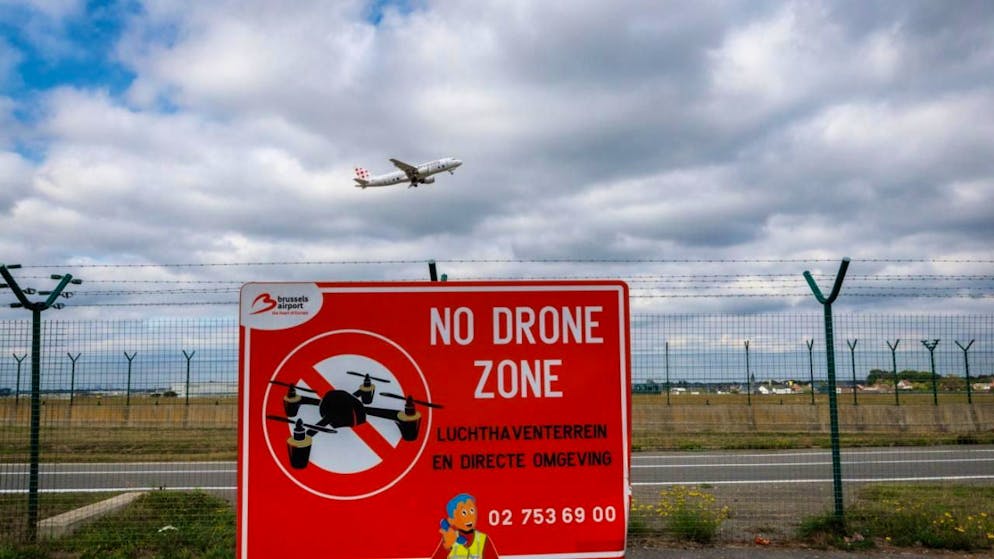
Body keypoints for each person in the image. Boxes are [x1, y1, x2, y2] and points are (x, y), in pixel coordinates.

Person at [432, 493, 500, 559]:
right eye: (464, 513)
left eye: (472, 510)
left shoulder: (484, 539)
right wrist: (447, 547)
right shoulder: (449, 538)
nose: (470, 516)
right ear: (452, 520)